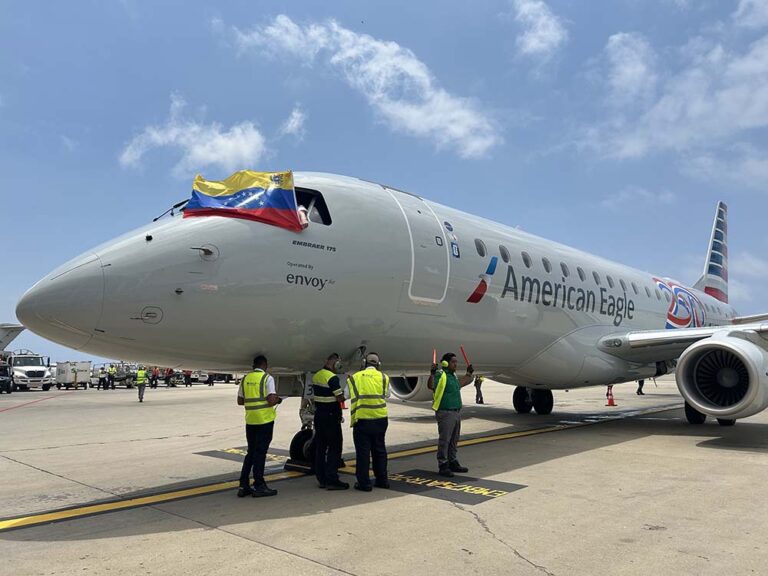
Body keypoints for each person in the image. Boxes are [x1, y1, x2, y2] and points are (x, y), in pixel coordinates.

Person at [237, 355, 281, 497]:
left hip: (250, 421)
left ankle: (243, 485)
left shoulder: (245, 379)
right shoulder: (267, 378)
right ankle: (259, 485)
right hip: (264, 421)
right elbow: (271, 400)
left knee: (251, 452)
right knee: (260, 453)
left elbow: (240, 401)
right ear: (265, 365)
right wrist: (278, 400)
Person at [427, 352, 475, 478]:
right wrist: (432, 374)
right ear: (445, 363)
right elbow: (431, 386)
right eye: (453, 362)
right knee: (445, 440)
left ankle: (452, 461)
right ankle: (443, 465)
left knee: (454, 439)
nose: (455, 364)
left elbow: (460, 384)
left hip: (456, 412)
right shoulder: (440, 374)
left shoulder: (452, 375)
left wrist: (468, 374)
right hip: (446, 412)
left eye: (456, 362)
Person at [348, 352, 390, 492]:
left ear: (364, 363)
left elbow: (347, 394)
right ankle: (382, 480)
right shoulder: (384, 377)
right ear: (378, 364)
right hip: (380, 419)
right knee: (380, 450)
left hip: (363, 420)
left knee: (363, 453)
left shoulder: (355, 377)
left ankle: (364, 484)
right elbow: (387, 394)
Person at [312, 353, 349, 490]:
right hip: (330, 416)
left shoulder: (317, 375)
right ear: (335, 363)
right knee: (335, 447)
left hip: (319, 415)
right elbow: (339, 398)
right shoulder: (332, 378)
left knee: (321, 447)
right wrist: (348, 389)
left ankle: (321, 478)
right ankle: (332, 479)